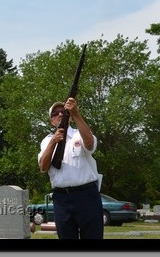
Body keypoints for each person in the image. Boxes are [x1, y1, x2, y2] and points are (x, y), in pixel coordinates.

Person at [38, 97, 103, 239]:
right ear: (52, 121)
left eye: (63, 111)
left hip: (87, 196)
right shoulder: (47, 141)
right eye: (55, 113)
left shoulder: (80, 134)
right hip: (61, 199)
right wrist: (53, 142)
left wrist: (76, 113)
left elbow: (90, 144)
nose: (60, 114)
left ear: (70, 117)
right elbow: (43, 166)